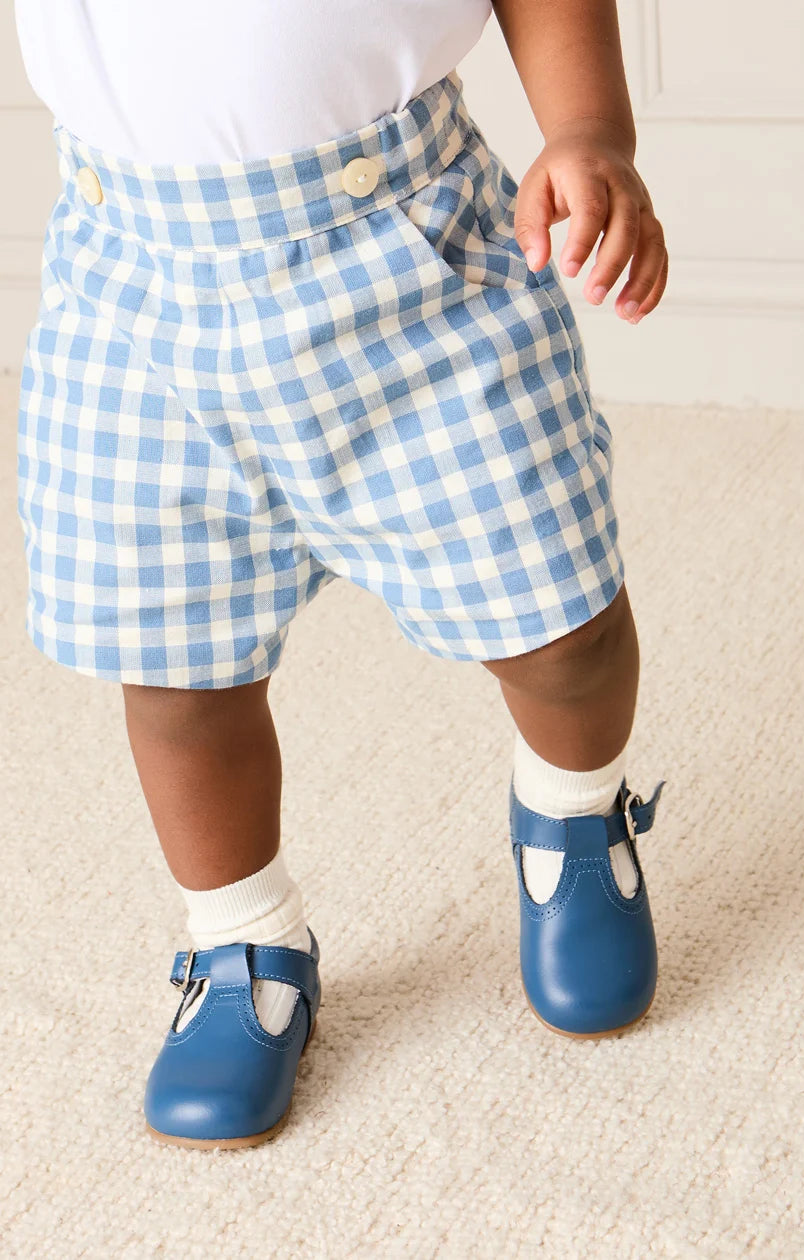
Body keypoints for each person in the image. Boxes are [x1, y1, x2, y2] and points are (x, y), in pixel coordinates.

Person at [14, 0, 668, 1149]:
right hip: (136, 295)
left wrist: (590, 132)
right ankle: (242, 944)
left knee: (560, 620)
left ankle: (573, 820)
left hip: (407, 263)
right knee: (173, 675)